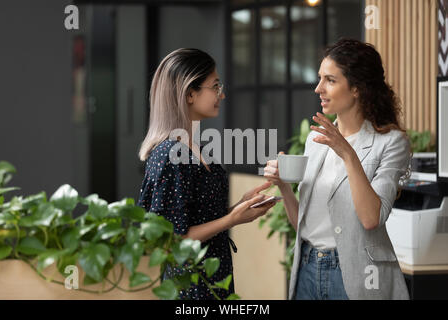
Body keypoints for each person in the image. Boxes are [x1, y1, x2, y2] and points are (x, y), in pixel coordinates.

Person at [264, 39, 411, 300]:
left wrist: (346, 152)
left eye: (330, 80)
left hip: (357, 275)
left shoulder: (391, 143)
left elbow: (371, 219)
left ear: (356, 88)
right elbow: (304, 225)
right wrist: (284, 186)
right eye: (320, 79)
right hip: (307, 270)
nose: (318, 88)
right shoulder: (316, 139)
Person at [137, 48, 276, 300]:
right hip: (192, 288)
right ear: (190, 93)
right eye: (215, 86)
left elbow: (196, 219)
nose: (221, 94)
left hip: (215, 280)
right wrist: (231, 219)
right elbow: (172, 239)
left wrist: (239, 208)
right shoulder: (169, 153)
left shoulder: (196, 148)